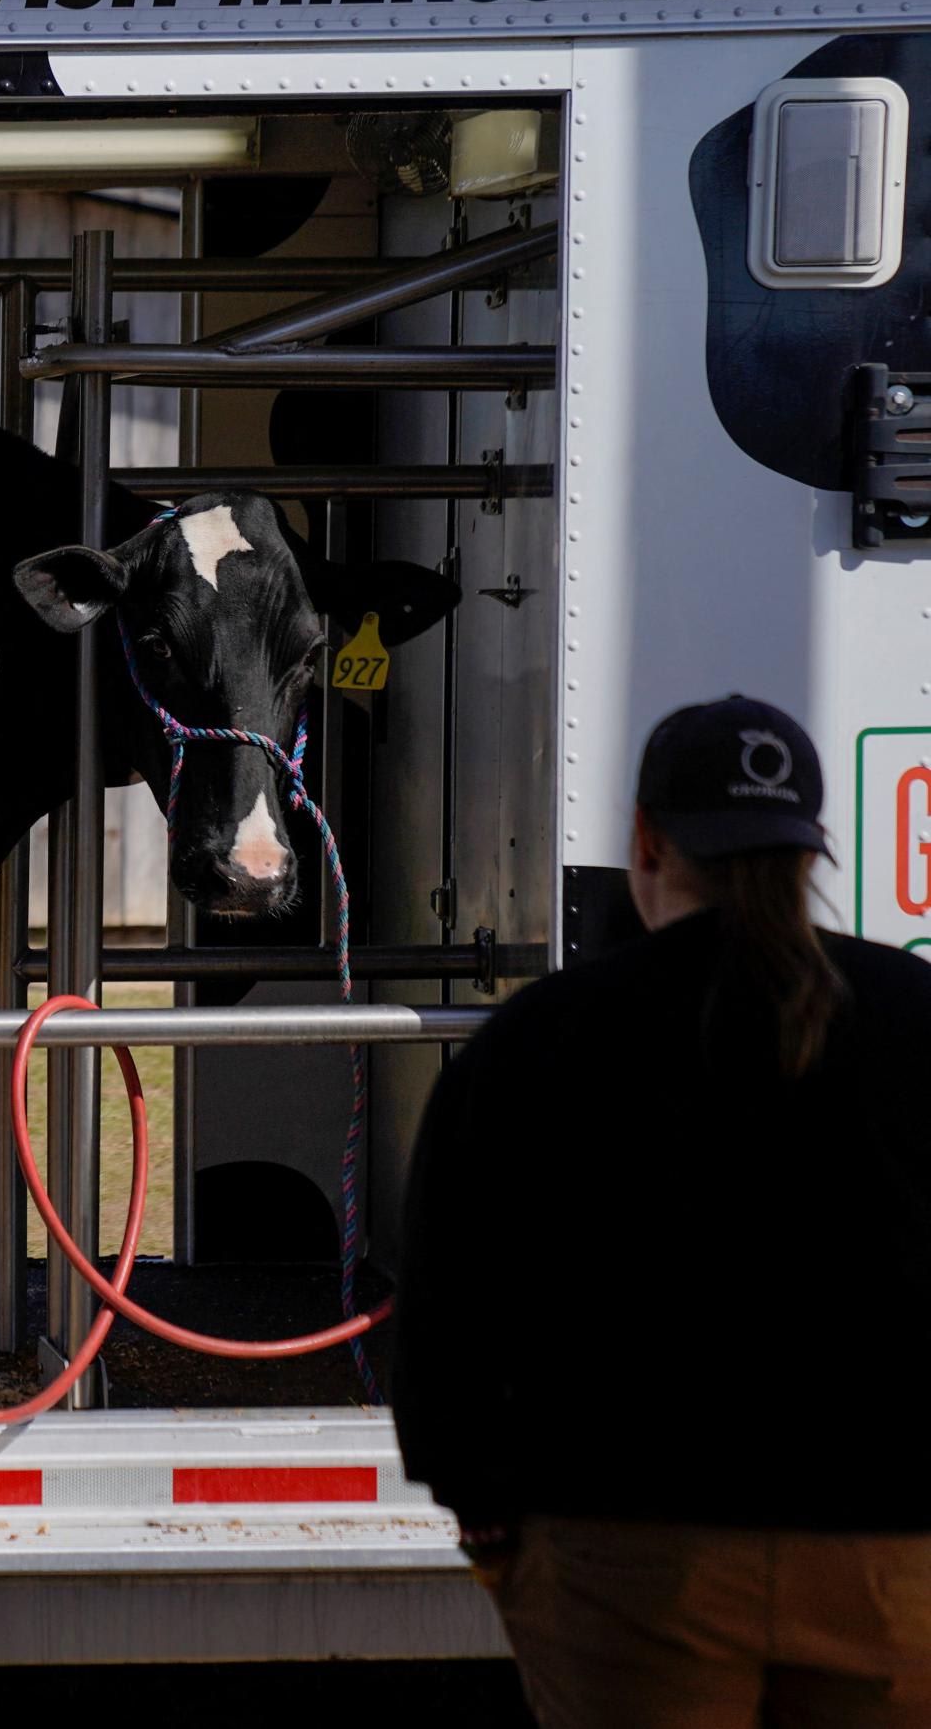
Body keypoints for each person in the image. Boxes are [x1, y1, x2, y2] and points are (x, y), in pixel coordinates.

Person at [394, 695, 931, 1728]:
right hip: (892, 1558)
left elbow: (445, 1310)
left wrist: (490, 1525)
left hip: (626, 1552)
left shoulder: (538, 1037)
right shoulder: (911, 1014)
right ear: (807, 848)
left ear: (645, 841)